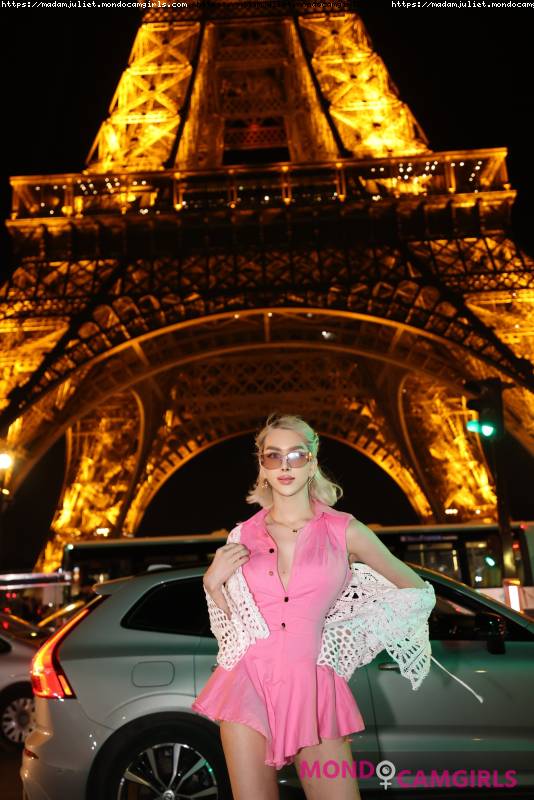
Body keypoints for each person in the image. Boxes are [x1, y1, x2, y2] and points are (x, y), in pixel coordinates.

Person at [192, 412, 429, 800]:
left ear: (312, 461)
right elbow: (234, 629)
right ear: (262, 465)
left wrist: (341, 638)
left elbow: (416, 591)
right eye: (273, 456)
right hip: (247, 684)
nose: (285, 465)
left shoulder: (346, 530)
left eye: (296, 455)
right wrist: (211, 583)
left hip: (314, 687)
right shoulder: (241, 535)